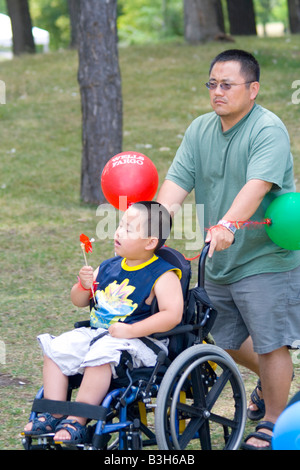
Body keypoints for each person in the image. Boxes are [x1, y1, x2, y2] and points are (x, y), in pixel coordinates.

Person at [157, 49, 300, 450]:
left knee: (271, 343)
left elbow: (257, 186)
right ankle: (276, 384)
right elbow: (175, 184)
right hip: (219, 256)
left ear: (252, 90)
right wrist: (149, 228)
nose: (217, 92)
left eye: (227, 85)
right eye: (212, 84)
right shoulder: (200, 129)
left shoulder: (267, 129)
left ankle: (273, 421)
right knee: (222, 337)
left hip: (265, 256)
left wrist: (228, 223)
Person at [23, 201, 183, 444]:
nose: (118, 232)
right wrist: (83, 286)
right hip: (98, 333)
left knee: (102, 356)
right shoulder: (109, 266)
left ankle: (76, 421)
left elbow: (172, 315)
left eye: (128, 229)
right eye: (119, 225)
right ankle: (53, 413)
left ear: (150, 242)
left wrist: (131, 330)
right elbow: (79, 301)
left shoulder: (163, 274)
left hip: (140, 341)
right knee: (55, 349)